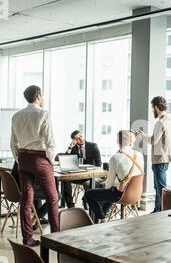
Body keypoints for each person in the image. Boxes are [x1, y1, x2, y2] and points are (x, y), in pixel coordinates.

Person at [10, 85, 59, 247]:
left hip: (23, 158)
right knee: (52, 198)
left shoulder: (16, 116)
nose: (43, 98)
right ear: (38, 96)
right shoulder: (43, 114)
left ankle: (28, 239)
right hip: (40, 159)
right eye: (42, 95)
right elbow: (50, 142)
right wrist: (50, 162)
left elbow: (13, 144)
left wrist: (19, 159)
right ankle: (57, 239)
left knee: (26, 200)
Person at [83, 130, 144, 223]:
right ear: (131, 141)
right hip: (136, 194)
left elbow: (108, 185)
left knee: (89, 194)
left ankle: (101, 218)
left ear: (117, 141)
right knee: (113, 191)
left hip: (121, 195)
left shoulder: (116, 158)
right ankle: (103, 214)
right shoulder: (139, 155)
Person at [137, 96, 171, 213]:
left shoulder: (160, 122)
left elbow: (154, 140)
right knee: (160, 187)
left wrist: (142, 135)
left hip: (159, 159)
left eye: (152, 107)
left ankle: (159, 211)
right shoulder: (168, 120)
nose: (152, 110)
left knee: (160, 187)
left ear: (156, 107)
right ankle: (158, 209)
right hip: (165, 157)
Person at [61, 130, 102, 209]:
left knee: (89, 183)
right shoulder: (73, 148)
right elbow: (65, 160)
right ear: (74, 140)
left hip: (90, 174)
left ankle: (86, 198)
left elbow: (98, 163)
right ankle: (70, 205)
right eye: (77, 138)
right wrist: (70, 147)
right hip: (77, 175)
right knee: (65, 180)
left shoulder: (93, 146)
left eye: (81, 136)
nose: (80, 139)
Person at [11, 161, 49, 228]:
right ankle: (36, 218)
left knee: (37, 187)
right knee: (56, 195)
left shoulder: (19, 158)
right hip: (25, 192)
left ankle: (38, 217)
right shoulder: (32, 161)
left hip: (14, 191)